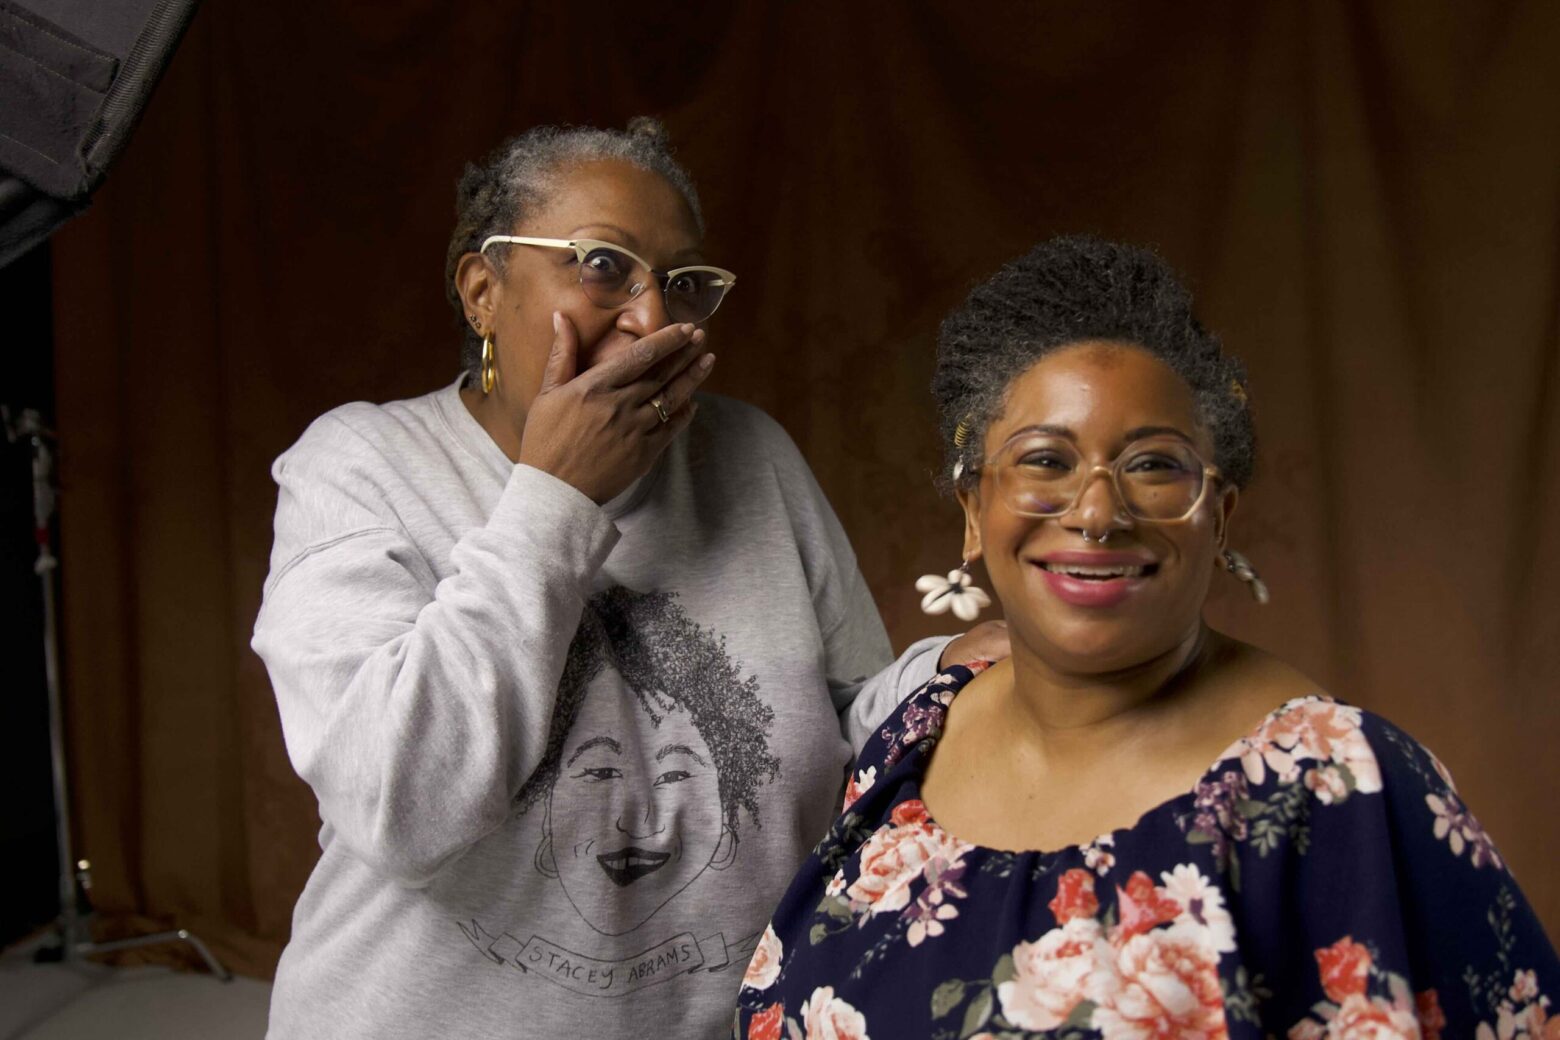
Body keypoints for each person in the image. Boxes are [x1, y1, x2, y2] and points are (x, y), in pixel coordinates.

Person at [250, 118, 1004, 1040]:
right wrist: (556, 498)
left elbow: (838, 723)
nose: (653, 320)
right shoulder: (361, 465)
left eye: (681, 284)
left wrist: (946, 673)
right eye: (603, 266)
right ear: (484, 291)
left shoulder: (750, 454)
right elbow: (400, 807)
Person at [735, 236, 1559, 1039]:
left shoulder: (1334, 785)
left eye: (1155, 465)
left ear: (1219, 518)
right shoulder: (912, 737)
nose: (1098, 513)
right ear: (973, 513)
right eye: (1045, 460)